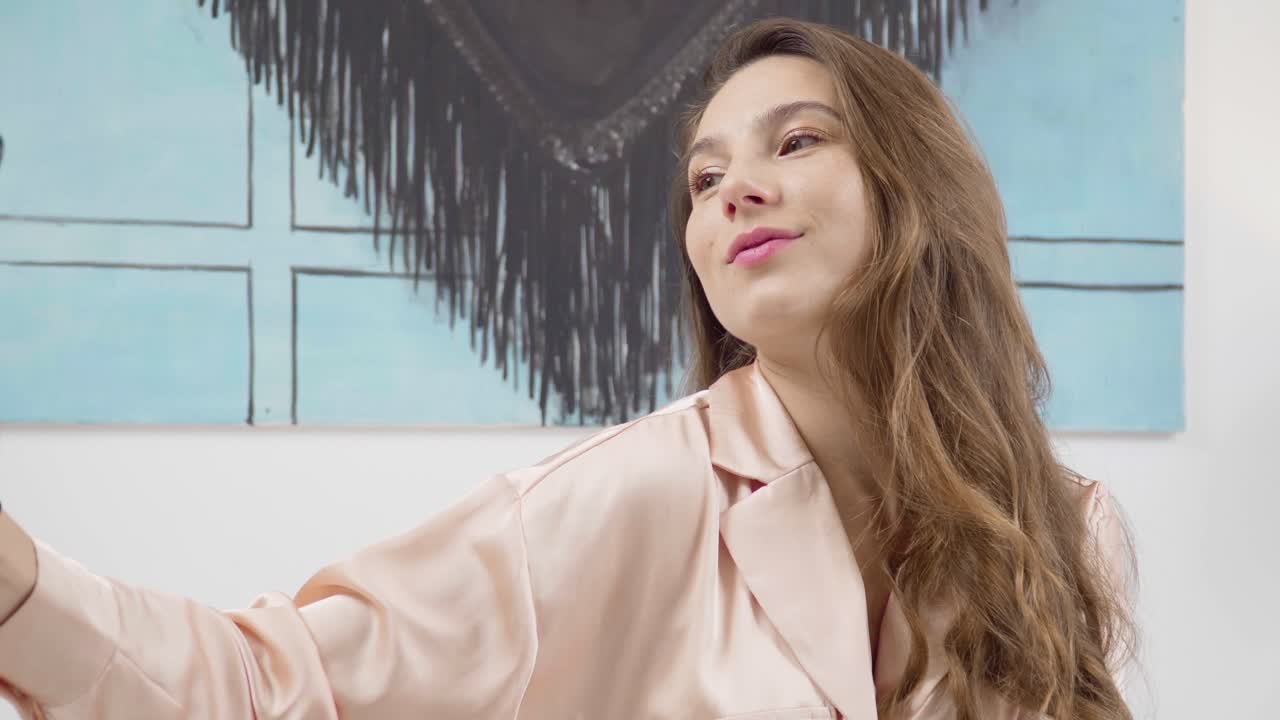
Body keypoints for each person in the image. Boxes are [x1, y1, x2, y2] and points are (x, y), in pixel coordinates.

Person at [0, 17, 1137, 720]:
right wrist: (17, 587)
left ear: (917, 195)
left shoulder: (1064, 527)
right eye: (701, 181)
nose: (730, 190)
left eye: (793, 143)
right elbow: (260, 689)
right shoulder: (630, 498)